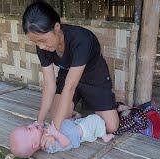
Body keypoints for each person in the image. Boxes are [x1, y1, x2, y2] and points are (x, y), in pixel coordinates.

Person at [22, 1, 119, 138]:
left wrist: (54, 131)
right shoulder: (42, 47)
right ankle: (78, 112)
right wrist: (40, 121)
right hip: (67, 76)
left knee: (111, 126)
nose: (41, 46)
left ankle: (110, 106)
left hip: (93, 77)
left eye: (43, 40)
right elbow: (49, 85)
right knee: (57, 115)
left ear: (56, 27)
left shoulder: (81, 40)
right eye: (36, 42)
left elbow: (70, 87)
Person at [9, 114, 114, 158]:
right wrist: (55, 134)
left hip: (75, 124)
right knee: (95, 118)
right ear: (35, 144)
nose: (31, 125)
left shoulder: (42, 134)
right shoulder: (49, 145)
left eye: (28, 125)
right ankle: (104, 136)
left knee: (86, 118)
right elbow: (66, 143)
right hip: (82, 132)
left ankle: (94, 127)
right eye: (29, 129)